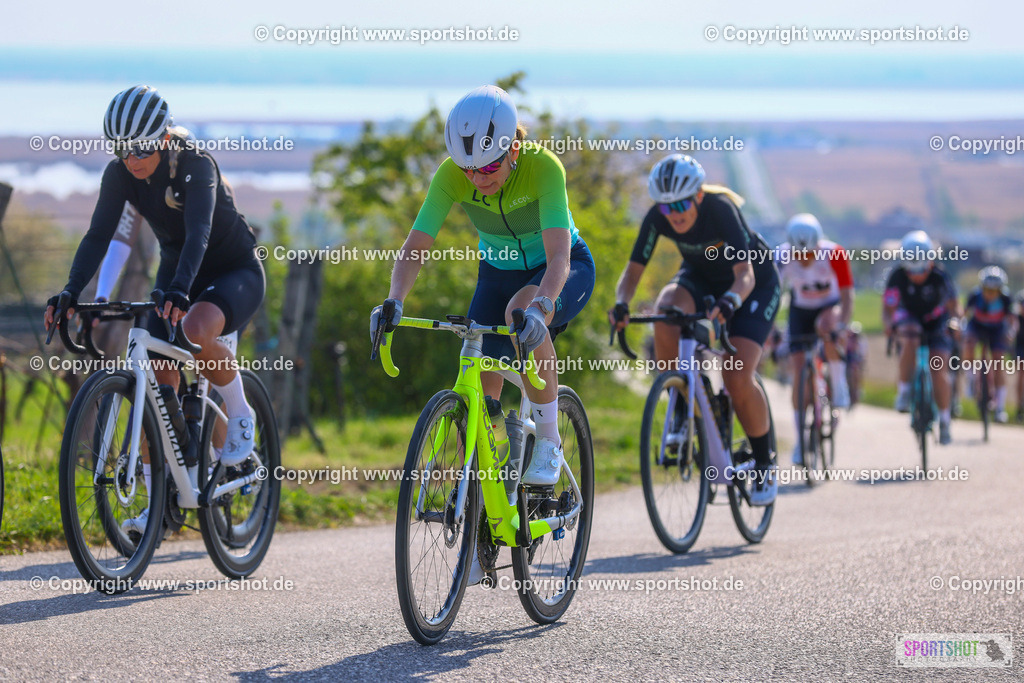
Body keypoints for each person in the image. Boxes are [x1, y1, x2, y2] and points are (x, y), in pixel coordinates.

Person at [44, 85, 266, 534]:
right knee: (153, 383)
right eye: (122, 150)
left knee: (197, 328)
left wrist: (182, 290)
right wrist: (70, 292)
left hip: (231, 270)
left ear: (163, 138)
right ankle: (163, 502)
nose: (132, 159)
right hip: (176, 274)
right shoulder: (121, 173)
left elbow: (199, 232)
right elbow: (97, 236)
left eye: (141, 148)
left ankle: (242, 414)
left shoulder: (195, 164)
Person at [370, 84, 596, 491]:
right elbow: (416, 245)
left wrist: (541, 309)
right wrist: (393, 301)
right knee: (477, 376)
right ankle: (481, 489)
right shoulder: (452, 175)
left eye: (488, 168)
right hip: (496, 271)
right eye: (467, 169)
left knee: (521, 311)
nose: (476, 179)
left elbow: (559, 258)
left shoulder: (544, 168)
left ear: (512, 149)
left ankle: (548, 441)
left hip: (559, 268)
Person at [609, 154, 781, 505]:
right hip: (701, 278)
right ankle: (680, 400)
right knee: (666, 308)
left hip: (751, 284)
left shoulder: (720, 209)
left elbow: (745, 275)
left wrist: (731, 302)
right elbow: (633, 273)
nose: (676, 214)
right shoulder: (659, 216)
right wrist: (622, 303)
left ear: (698, 196)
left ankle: (765, 463)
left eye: (683, 204)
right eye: (668, 208)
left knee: (736, 375)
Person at [775, 213, 854, 465]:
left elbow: (847, 295)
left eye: (809, 254)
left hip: (829, 307)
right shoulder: (781, 255)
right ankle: (800, 441)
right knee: (799, 369)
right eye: (799, 255)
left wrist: (841, 325)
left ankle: (839, 386)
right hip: (800, 311)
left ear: (819, 245)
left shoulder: (835, 254)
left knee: (826, 326)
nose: (804, 259)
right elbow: (773, 294)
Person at [882, 230, 959, 444]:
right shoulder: (897, 276)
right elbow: (888, 308)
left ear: (930, 263)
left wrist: (955, 322)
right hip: (909, 318)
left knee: (938, 368)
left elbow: (954, 307)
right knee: (910, 338)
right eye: (911, 271)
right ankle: (904, 391)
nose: (916, 276)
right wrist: (889, 325)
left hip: (936, 320)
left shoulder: (940, 276)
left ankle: (944, 420)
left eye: (921, 270)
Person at [962, 266, 1016, 422]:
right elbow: (964, 315)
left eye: (995, 291)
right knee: (969, 344)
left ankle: (1000, 408)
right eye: (987, 290)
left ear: (1000, 290)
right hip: (977, 326)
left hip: (997, 329)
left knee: (999, 363)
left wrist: (1011, 333)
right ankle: (971, 379)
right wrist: (962, 329)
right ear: (981, 288)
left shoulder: (1006, 299)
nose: (990, 294)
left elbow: (1012, 321)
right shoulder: (974, 295)